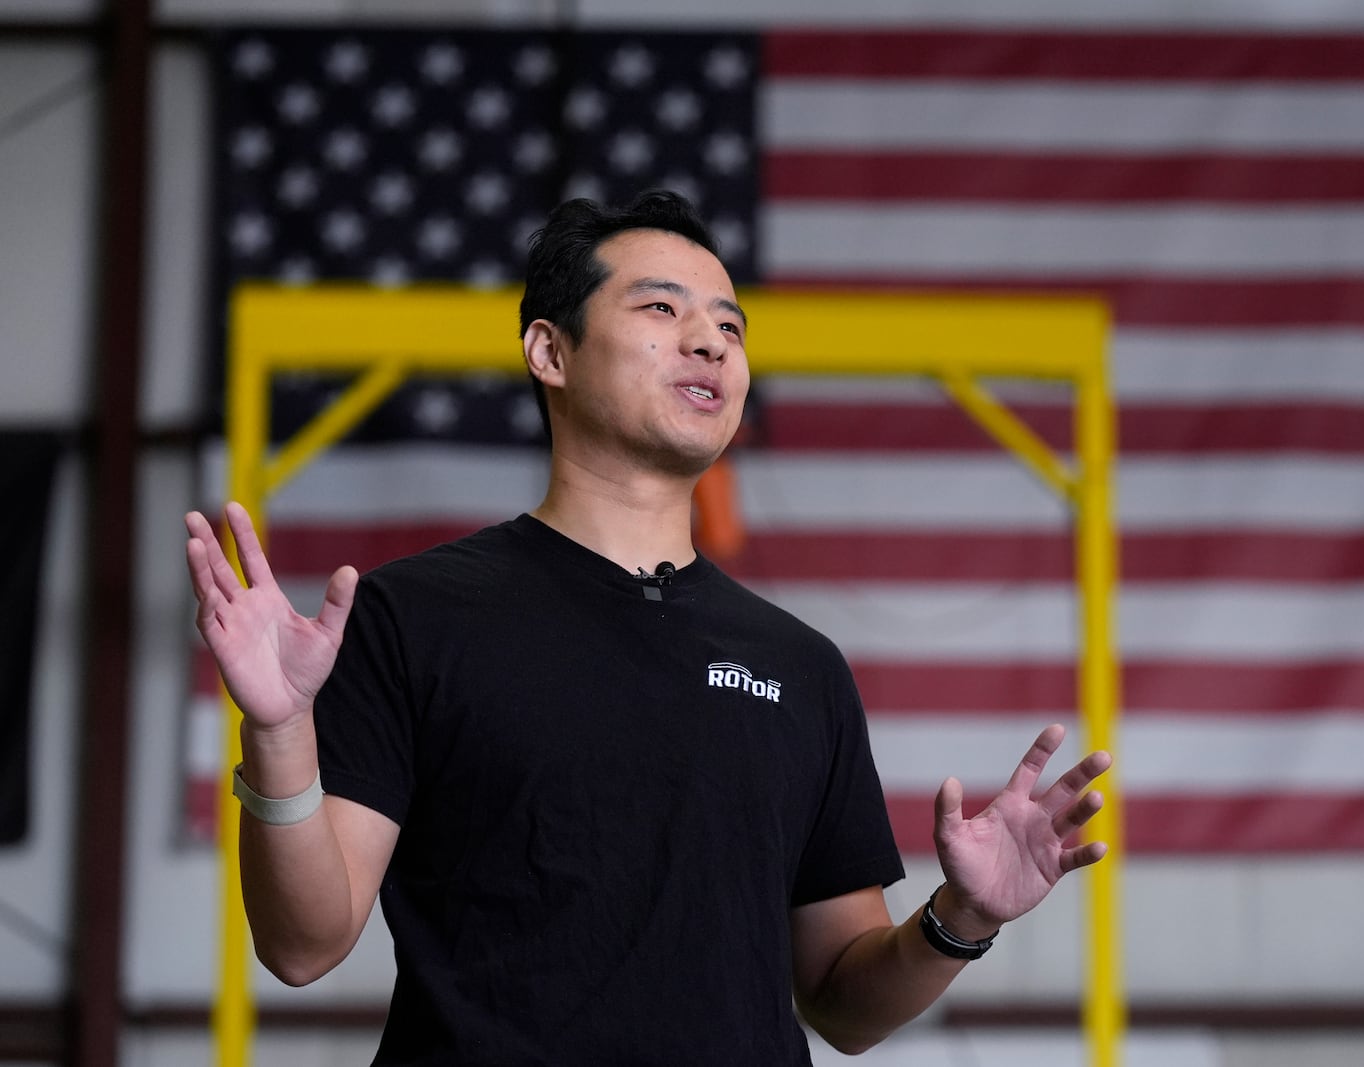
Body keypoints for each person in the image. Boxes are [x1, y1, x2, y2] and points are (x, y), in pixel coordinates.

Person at [183, 190, 1112, 1065]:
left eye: (730, 324)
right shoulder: (413, 615)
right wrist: (278, 729)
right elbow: (303, 943)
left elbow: (839, 999)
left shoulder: (800, 667)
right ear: (549, 352)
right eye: (663, 311)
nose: (709, 341)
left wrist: (963, 918)